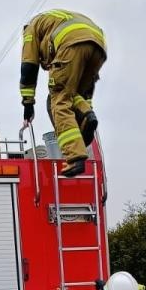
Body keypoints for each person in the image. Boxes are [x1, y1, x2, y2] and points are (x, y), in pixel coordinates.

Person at [20, 9, 106, 177]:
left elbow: (28, 67)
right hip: (97, 46)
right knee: (74, 95)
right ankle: (86, 115)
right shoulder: (53, 19)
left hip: (70, 44)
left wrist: (28, 103)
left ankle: (75, 157)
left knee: (58, 100)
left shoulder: (30, 30)